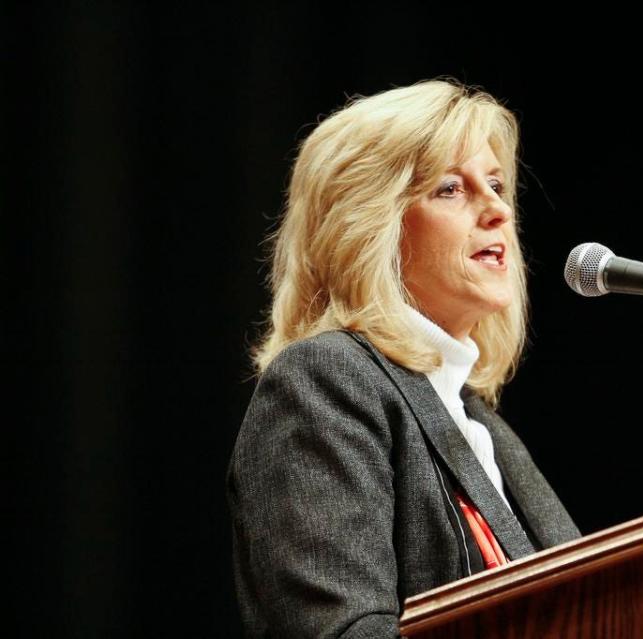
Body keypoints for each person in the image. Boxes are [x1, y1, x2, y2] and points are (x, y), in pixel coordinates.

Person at [225, 78, 580, 638]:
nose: (497, 210)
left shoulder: (479, 424)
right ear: (370, 227)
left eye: (495, 184)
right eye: (450, 189)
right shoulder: (324, 383)